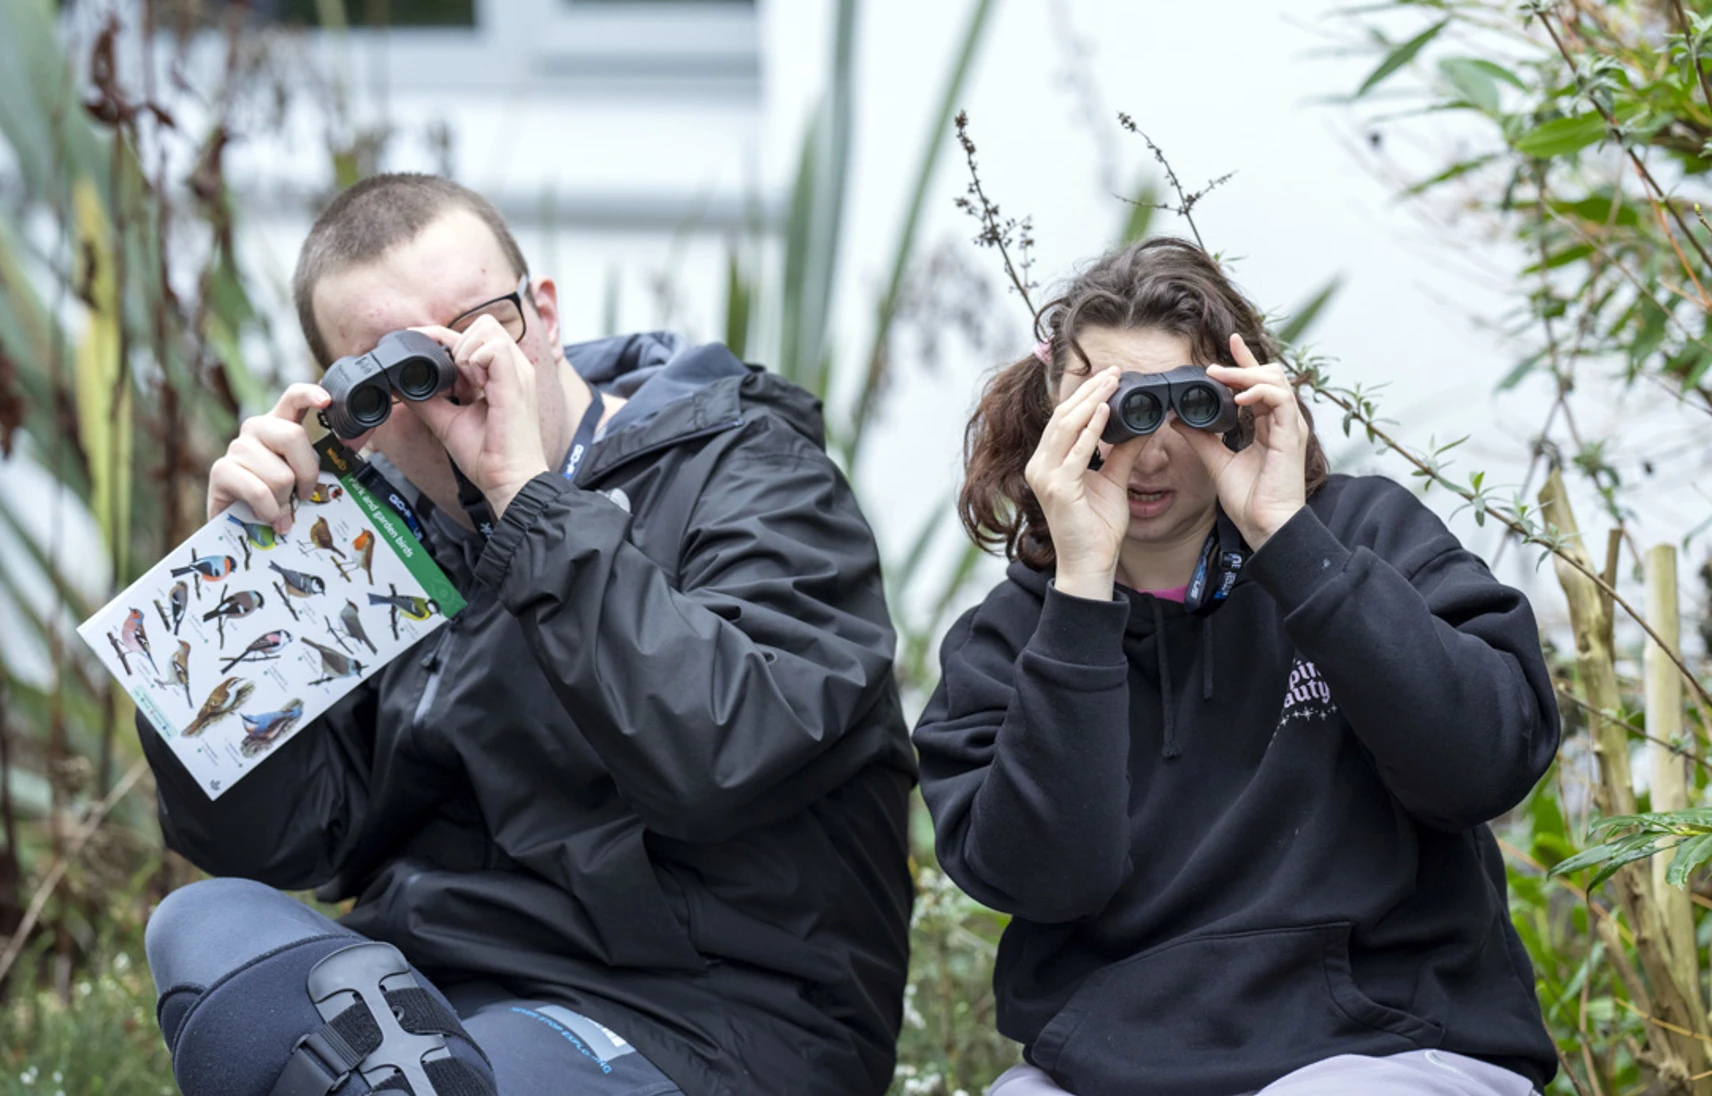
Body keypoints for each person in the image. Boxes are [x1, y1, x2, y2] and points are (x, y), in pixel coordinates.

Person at [138, 173, 915, 1096]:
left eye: (478, 330)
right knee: (203, 925)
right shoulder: (373, 539)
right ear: (346, 418)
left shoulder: (753, 475)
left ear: (542, 315)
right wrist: (239, 584)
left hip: (703, 1020)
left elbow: (722, 756)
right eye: (387, 376)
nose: (450, 387)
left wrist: (527, 504)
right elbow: (285, 841)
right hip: (424, 1005)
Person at [912, 237, 1560, 1096]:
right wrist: (1079, 598)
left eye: (1182, 406)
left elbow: (1486, 764)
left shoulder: (1364, 542)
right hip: (1109, 1068)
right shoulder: (1008, 640)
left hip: (1387, 1047)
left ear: (1241, 399)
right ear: (1055, 416)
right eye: (1114, 410)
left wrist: (1291, 546)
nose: (1147, 454)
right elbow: (1045, 880)